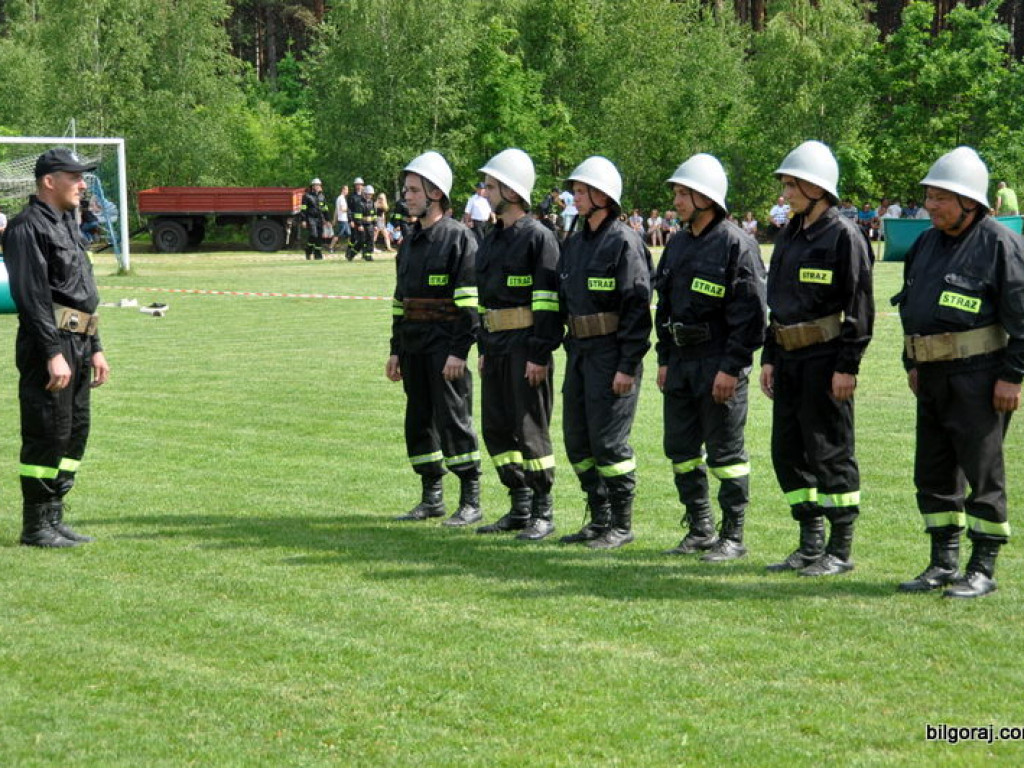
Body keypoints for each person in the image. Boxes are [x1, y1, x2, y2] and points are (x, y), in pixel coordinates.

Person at [894, 147, 1024, 598]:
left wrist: (1013, 376)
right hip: (931, 377)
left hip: (981, 377)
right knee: (933, 472)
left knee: (982, 472)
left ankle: (983, 567)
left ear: (970, 202)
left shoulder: (1000, 246)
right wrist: (912, 362)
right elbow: (909, 307)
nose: (929, 205)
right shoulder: (926, 244)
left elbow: (1022, 321)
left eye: (940, 198)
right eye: (928, 196)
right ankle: (942, 562)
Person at [760, 140, 874, 577]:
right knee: (787, 452)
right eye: (786, 185)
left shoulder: (844, 235)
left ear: (816, 188)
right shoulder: (789, 234)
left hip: (826, 360)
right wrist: (770, 356)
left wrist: (848, 366)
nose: (785, 194)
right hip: (787, 359)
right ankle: (809, 544)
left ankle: (839, 549)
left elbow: (859, 307)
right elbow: (777, 303)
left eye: (791, 185)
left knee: (830, 451)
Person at [656, 154, 766, 561]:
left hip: (719, 361)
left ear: (707, 197)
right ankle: (700, 528)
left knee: (725, 454)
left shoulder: (737, 244)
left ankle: (732, 535)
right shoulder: (678, 242)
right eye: (677, 193)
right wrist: (664, 359)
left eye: (684, 193)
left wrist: (731, 368)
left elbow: (751, 317)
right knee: (681, 450)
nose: (677, 200)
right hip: (682, 362)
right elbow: (663, 304)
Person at [2, 149, 111, 547]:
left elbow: (80, 293)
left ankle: (55, 516)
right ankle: (35, 526)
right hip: (50, 342)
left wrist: (95, 345)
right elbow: (31, 298)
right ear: (50, 181)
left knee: (73, 432)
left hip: (79, 341)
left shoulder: (67, 222)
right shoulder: (26, 227)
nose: (83, 184)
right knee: (47, 431)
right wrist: (52, 353)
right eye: (75, 177)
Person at [556, 156, 653, 549]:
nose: (574, 198)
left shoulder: (624, 241)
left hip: (612, 355)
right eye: (575, 191)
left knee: (609, 443)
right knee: (577, 441)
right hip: (579, 353)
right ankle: (598, 518)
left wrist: (627, 365)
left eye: (581, 191)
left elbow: (636, 308)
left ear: (603, 196)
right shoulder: (574, 243)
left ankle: (621, 524)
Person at [386, 151, 482, 525]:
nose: (406, 196)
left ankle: (470, 500)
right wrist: (395, 350)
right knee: (419, 421)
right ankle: (432, 497)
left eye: (413, 190)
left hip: (445, 348)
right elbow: (400, 302)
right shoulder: (409, 242)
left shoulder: (460, 239)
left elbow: (470, 304)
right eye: (406, 190)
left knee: (454, 420)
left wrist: (459, 351)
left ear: (436, 193)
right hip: (413, 347)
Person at [471, 149, 562, 540]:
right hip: (496, 347)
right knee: (496, 427)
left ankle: (543, 510)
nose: (485, 192)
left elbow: (547, 302)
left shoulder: (539, 238)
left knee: (530, 429)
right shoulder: (491, 238)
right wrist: (484, 348)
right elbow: (482, 300)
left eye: (491, 186)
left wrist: (539, 354)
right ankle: (519, 505)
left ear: (511, 189)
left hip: (527, 347)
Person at [299, 178, 328, 260]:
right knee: (313, 235)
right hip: (310, 218)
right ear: (312, 186)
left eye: (319, 185)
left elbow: (325, 209)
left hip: (320, 219)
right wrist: (303, 220)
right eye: (316, 185)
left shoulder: (322, 196)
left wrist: (327, 219)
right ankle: (308, 250)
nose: (318, 186)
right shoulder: (307, 196)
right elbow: (303, 209)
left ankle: (318, 254)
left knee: (319, 237)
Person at [346, 177, 372, 261]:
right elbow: (349, 209)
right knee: (354, 237)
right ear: (355, 185)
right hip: (355, 219)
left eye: (360, 185)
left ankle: (365, 254)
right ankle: (349, 251)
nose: (359, 186)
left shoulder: (365, 195)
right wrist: (351, 220)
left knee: (365, 238)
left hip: (364, 220)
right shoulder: (352, 196)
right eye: (357, 185)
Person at [330, 184, 351, 254]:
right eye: (347, 189)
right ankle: (331, 247)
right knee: (337, 235)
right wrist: (348, 209)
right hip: (342, 220)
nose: (348, 191)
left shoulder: (340, 198)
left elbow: (336, 210)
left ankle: (350, 248)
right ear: (343, 190)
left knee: (349, 234)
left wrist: (334, 219)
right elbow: (342, 209)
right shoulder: (341, 198)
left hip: (344, 220)